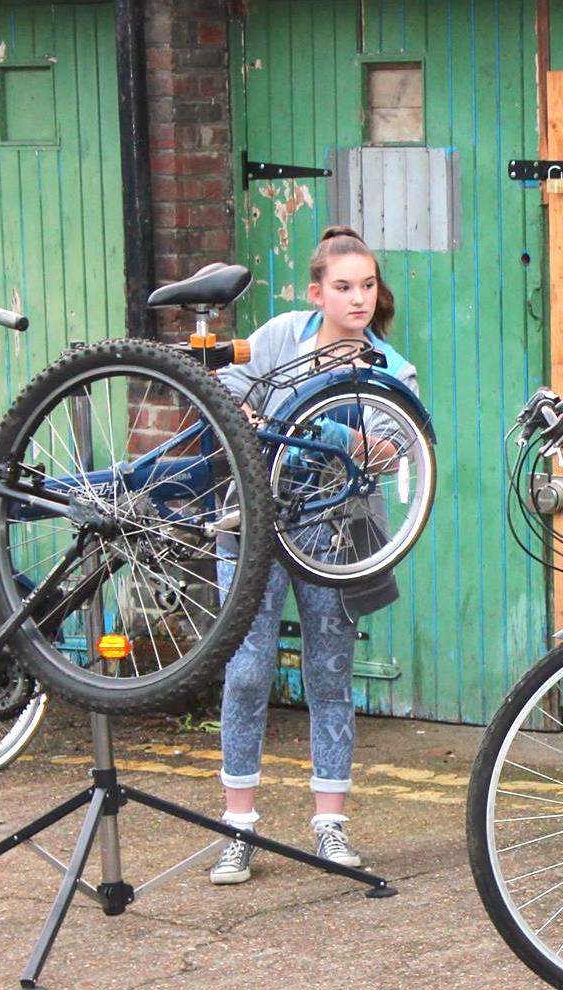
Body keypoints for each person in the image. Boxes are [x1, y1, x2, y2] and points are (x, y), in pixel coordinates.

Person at [206, 226, 418, 885]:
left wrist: (336, 433)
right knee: (246, 672)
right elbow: (226, 393)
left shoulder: (392, 369)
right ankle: (236, 829)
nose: (359, 298)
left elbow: (393, 449)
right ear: (316, 292)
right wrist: (256, 416)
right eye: (345, 286)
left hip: (334, 532)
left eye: (368, 286)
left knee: (329, 674)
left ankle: (330, 827)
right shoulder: (276, 338)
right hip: (256, 521)